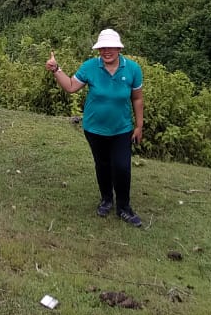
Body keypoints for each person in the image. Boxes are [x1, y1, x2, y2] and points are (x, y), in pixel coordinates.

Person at [46, 28, 144, 227]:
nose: (106, 51)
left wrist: (139, 126)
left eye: (111, 48)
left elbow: (138, 98)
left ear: (118, 48)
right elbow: (72, 87)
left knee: (122, 167)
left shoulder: (133, 69)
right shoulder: (90, 66)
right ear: (99, 49)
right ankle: (106, 199)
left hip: (122, 129)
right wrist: (57, 70)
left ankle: (124, 207)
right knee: (103, 165)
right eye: (102, 48)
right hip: (94, 129)